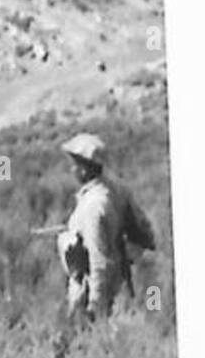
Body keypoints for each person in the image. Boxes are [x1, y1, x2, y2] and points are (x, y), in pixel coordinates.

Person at [57, 134, 156, 323]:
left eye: (75, 164)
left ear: (84, 169)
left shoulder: (94, 206)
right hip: (120, 281)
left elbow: (98, 259)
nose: (71, 169)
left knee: (85, 341)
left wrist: (95, 305)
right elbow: (144, 231)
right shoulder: (117, 188)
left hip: (93, 290)